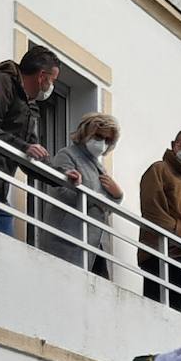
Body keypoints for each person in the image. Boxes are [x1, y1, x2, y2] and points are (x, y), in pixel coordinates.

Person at [0, 46, 61, 235]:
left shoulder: (31, 107)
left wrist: (62, 176)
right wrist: (24, 147)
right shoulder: (2, 83)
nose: (52, 87)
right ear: (42, 76)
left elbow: (32, 158)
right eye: (53, 80)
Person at [45, 112, 124, 278]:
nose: (102, 143)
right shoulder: (67, 155)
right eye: (98, 136)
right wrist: (95, 199)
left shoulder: (99, 167)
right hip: (68, 237)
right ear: (86, 132)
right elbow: (59, 190)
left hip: (96, 241)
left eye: (107, 140)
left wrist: (117, 196)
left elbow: (105, 208)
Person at [138, 129, 181, 312]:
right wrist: (178, 234)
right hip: (160, 251)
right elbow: (153, 208)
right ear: (173, 145)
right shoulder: (160, 169)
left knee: (174, 312)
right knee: (155, 310)